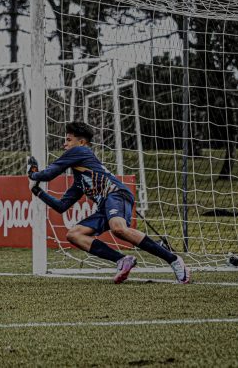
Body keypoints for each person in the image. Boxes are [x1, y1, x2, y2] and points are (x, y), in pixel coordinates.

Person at [27, 121, 190, 284]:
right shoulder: (79, 180)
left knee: (118, 228)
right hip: (105, 205)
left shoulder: (81, 151)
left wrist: (33, 174)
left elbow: (49, 174)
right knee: (74, 234)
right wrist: (38, 192)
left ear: (81, 142)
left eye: (68, 140)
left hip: (116, 194)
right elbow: (61, 206)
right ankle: (122, 260)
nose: (64, 144)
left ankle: (174, 260)